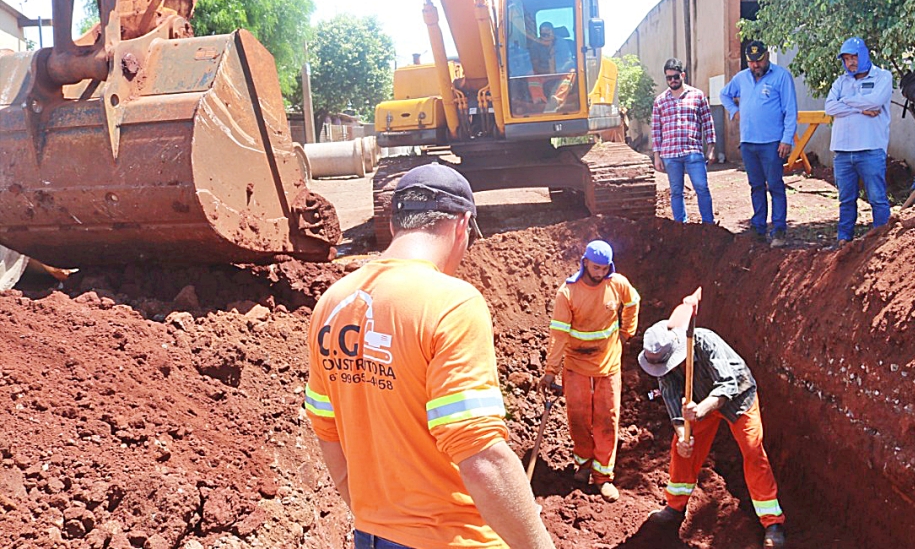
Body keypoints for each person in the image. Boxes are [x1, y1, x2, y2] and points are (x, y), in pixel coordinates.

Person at [304, 163, 554, 549]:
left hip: (372, 536)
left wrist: (371, 514)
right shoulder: (451, 303)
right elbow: (480, 456)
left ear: (393, 225)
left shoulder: (332, 303)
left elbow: (326, 428)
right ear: (462, 225)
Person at [639, 320, 786, 548]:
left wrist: (700, 410)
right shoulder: (662, 362)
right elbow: (670, 397)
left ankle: (772, 522)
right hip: (698, 403)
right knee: (682, 448)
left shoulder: (705, 341)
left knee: (753, 451)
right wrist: (682, 434)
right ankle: (675, 507)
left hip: (737, 398)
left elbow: (727, 385)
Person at [539, 240, 640, 502]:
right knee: (579, 417)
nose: (600, 272)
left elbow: (633, 302)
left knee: (607, 419)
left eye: (605, 268)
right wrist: (550, 370)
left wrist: (627, 332)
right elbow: (559, 334)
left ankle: (603, 476)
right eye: (596, 268)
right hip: (576, 364)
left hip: (608, 363)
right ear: (585, 263)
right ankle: (583, 465)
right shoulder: (568, 293)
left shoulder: (617, 284)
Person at [720, 41, 798, 247]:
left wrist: (786, 139)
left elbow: (790, 111)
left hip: (772, 143)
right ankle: (758, 228)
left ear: (767, 57)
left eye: (759, 60)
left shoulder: (781, 77)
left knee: (775, 185)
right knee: (756, 186)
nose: (755, 65)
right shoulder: (741, 78)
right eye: (751, 62)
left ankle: (779, 229)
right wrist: (734, 111)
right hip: (748, 142)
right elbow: (724, 94)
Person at [824, 37, 893, 245]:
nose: (850, 63)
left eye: (854, 57)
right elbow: (829, 108)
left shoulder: (883, 77)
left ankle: (881, 240)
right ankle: (844, 240)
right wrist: (860, 108)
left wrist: (844, 102)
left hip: (871, 148)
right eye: (846, 59)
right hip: (843, 151)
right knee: (846, 200)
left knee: (877, 198)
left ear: (863, 55)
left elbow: (875, 101)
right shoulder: (840, 82)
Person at [651, 58, 716, 225]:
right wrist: (657, 156)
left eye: (675, 76)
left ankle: (709, 225)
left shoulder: (697, 96)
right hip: (670, 154)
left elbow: (708, 122)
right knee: (676, 191)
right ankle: (681, 227)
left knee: (701, 188)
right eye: (669, 78)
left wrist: (711, 148)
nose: (672, 80)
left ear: (683, 75)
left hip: (693, 152)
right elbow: (656, 130)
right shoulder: (660, 101)